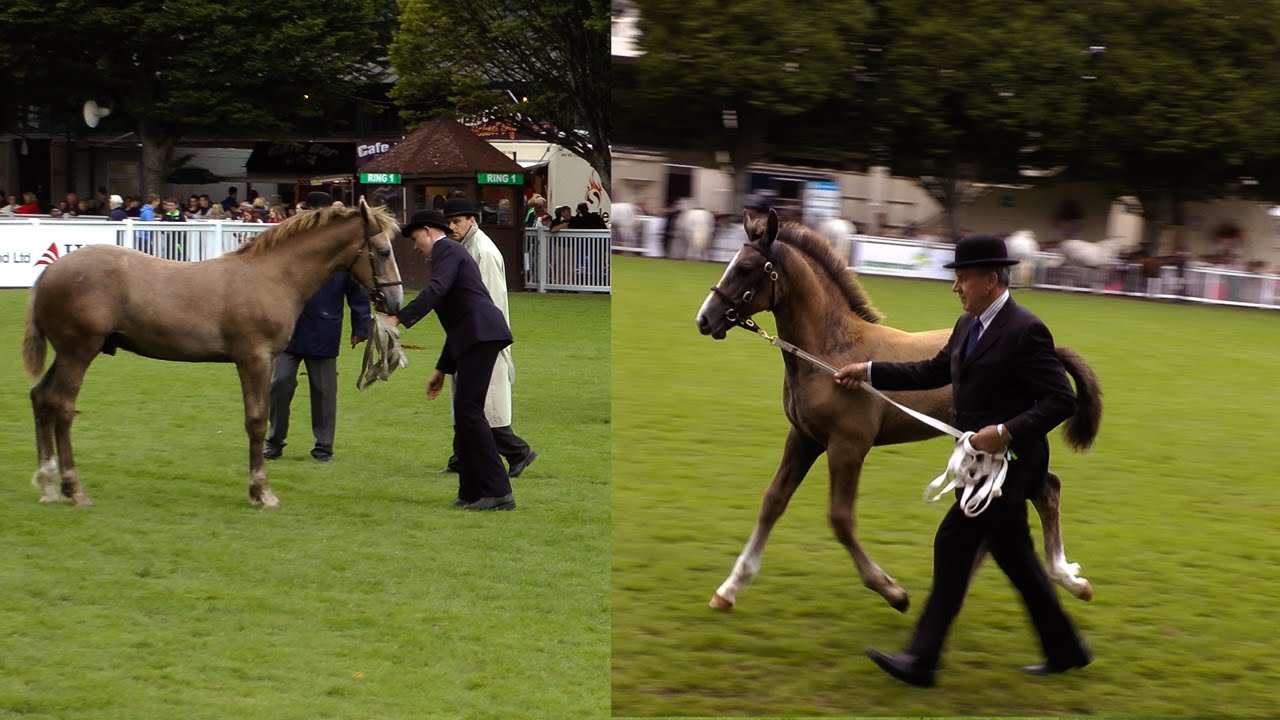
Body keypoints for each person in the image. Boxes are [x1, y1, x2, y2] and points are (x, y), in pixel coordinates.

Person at [833, 234, 1090, 687]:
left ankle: (922, 660)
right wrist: (869, 371)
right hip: (983, 464)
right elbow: (931, 371)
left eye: (963, 278)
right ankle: (1065, 648)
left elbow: (1061, 400)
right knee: (1016, 558)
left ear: (991, 279)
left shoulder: (1025, 330)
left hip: (1011, 464)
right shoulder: (967, 326)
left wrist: (1004, 431)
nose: (956, 287)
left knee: (953, 545)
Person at [387, 209, 517, 511]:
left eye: (416, 238)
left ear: (430, 231)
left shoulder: (447, 249)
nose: (415, 246)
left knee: (470, 412)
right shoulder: (451, 253)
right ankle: (471, 490)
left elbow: (437, 291)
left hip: (481, 334)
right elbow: (457, 317)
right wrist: (442, 370)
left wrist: (399, 318)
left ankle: (498, 492)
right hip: (474, 335)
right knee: (465, 414)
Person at [264, 191, 370, 463]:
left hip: (323, 326)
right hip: (288, 327)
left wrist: (361, 325)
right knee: (280, 383)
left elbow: (356, 288)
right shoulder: (289, 243)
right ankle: (274, 440)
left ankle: (324, 447)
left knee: (324, 392)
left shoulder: (338, 248)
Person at [438, 195, 537, 478]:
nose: (452, 227)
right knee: (467, 400)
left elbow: (489, 300)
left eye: (456, 221)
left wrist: (480, 336)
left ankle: (518, 451)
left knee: (483, 404)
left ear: (472, 219)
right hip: (470, 332)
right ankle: (460, 457)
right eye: (448, 222)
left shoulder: (484, 252)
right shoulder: (467, 248)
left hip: (484, 335)